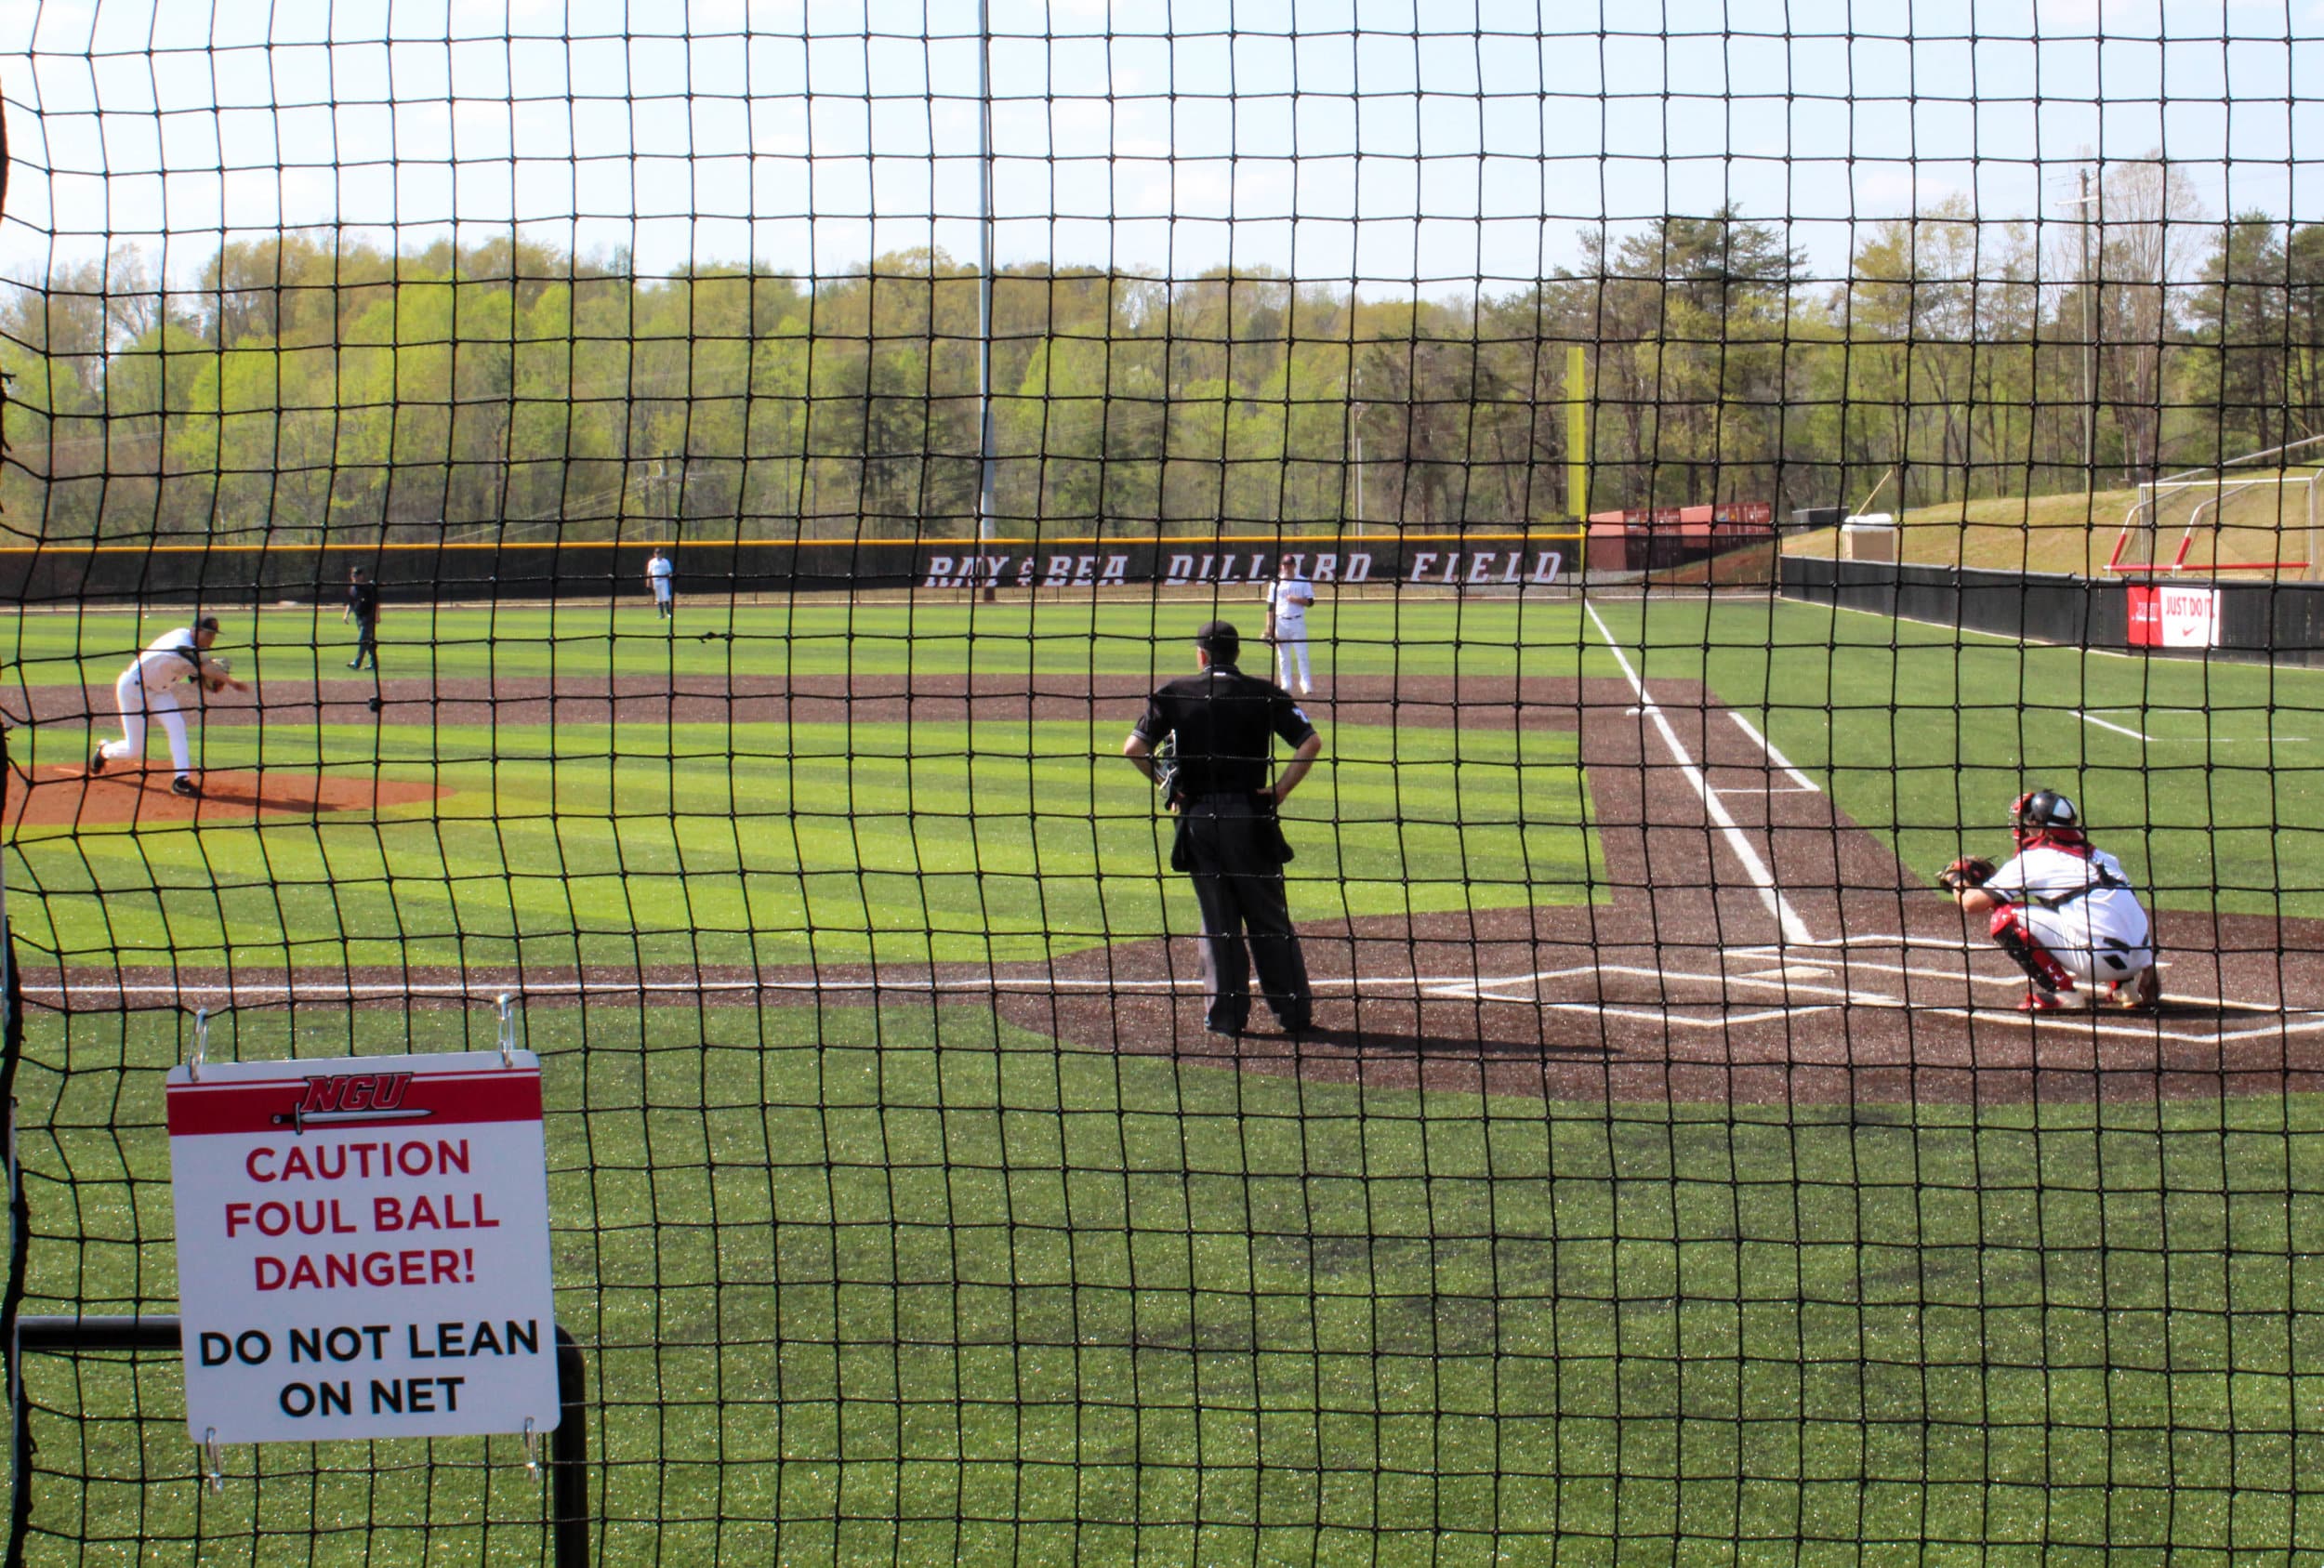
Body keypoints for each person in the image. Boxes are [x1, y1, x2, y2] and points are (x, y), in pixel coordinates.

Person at [1123, 620, 1325, 1037]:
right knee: (1268, 917)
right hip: (1251, 817)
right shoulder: (1264, 693)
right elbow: (1310, 741)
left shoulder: (1174, 693)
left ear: (1201, 655)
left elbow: (1134, 748)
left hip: (1198, 819)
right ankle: (1293, 1015)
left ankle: (1226, 1019)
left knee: (1218, 922)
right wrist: (1281, 790)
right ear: (1237, 655)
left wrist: (1168, 785)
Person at [1942, 788, 2161, 1012]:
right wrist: (2150, 968)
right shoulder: (2104, 858)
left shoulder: (2035, 859)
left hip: (2098, 963)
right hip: (2139, 960)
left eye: (2028, 821)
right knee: (2086, 907)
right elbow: (2132, 912)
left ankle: (2064, 992)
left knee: (2005, 918)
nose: (2023, 826)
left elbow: (1971, 903)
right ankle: (2126, 988)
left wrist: (1956, 879)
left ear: (2041, 828)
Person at [89, 615, 250, 797]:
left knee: (177, 726)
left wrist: (212, 683)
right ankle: (104, 752)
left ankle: (181, 780)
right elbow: (204, 667)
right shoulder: (180, 641)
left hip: (160, 693)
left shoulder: (196, 650)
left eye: (215, 634)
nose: (212, 639)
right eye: (209, 634)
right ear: (196, 631)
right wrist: (231, 681)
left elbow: (198, 677)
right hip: (133, 689)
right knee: (134, 749)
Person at [1262, 553, 1316, 694]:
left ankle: (1306, 683)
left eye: (1290, 564)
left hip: (1297, 621)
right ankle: (1285, 684)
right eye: (1285, 564)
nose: (1287, 567)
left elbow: (1311, 602)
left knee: (1302, 654)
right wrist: (1269, 627)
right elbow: (1270, 606)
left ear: (1294, 566)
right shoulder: (1275, 583)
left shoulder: (1303, 581)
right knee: (1283, 655)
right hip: (1281, 622)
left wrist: (1297, 599)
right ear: (1281, 566)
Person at [342, 566, 380, 669]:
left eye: (357, 575)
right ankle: (374, 664)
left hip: (368, 617)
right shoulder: (352, 588)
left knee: (362, 640)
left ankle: (357, 663)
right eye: (353, 575)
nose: (355, 577)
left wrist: (377, 615)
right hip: (359, 617)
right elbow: (350, 603)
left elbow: (376, 602)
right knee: (368, 642)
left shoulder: (367, 588)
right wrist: (346, 615)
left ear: (361, 576)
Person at [647, 547, 675, 619]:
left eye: (659, 553)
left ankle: (669, 613)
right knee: (659, 598)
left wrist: (670, 581)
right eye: (657, 553)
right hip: (655, 581)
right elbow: (649, 572)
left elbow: (669, 572)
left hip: (664, 580)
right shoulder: (652, 562)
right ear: (654, 554)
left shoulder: (665, 561)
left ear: (662, 554)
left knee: (666, 597)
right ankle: (662, 614)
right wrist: (648, 581)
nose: (658, 554)